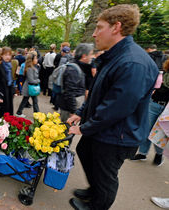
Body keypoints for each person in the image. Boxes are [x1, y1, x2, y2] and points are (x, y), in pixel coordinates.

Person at [67, 4, 159, 210]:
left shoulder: (133, 62)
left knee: (105, 174)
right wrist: (81, 113)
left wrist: (84, 128)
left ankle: (97, 204)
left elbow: (117, 107)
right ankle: (95, 190)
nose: (94, 33)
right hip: (103, 129)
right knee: (85, 152)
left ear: (116, 27)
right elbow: (99, 93)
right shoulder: (114, 55)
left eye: (99, 27)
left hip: (117, 134)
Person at [131, 58, 169, 166]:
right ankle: (142, 153)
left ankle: (158, 154)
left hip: (167, 109)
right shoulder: (163, 73)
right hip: (154, 104)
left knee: (161, 132)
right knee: (146, 129)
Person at [57, 43, 94, 123]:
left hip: (70, 107)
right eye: (91, 54)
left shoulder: (79, 66)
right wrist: (73, 111)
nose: (92, 57)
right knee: (65, 132)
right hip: (69, 109)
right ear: (84, 56)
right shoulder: (73, 70)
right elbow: (69, 93)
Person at [0, 47, 14, 117]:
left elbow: (11, 80)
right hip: (2, 94)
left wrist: (13, 91)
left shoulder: (9, 66)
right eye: (5, 55)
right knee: (2, 114)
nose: (7, 57)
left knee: (9, 113)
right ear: (2, 55)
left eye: (9, 55)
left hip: (8, 93)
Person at [15, 52, 40, 117]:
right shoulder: (30, 69)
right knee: (29, 101)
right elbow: (31, 80)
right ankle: (37, 114)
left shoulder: (33, 67)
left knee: (30, 101)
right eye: (35, 58)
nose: (37, 60)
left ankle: (19, 112)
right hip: (29, 88)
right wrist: (38, 80)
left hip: (30, 88)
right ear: (31, 60)